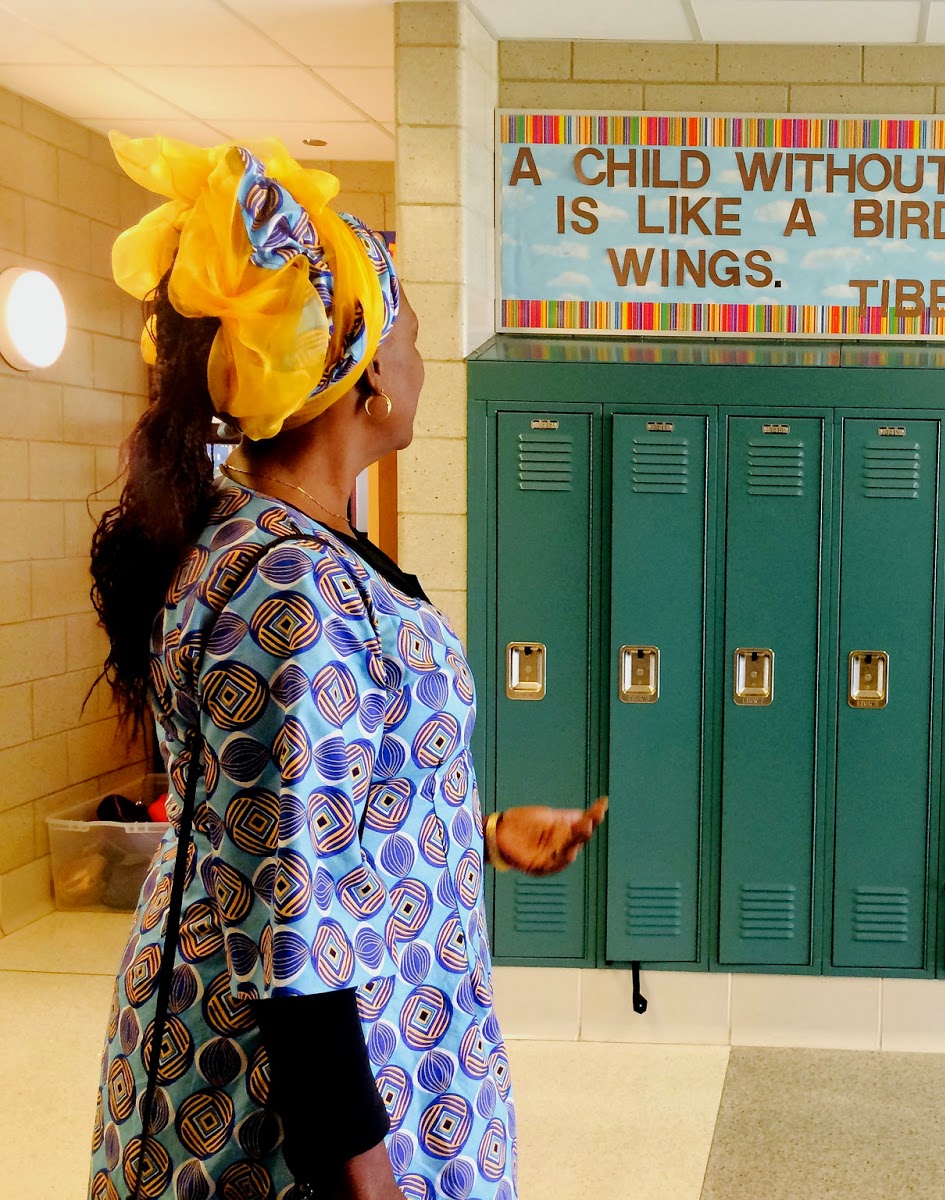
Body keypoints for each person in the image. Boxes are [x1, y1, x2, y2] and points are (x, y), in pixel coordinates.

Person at [85, 134, 606, 1200]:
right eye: (410, 339)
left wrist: (464, 831)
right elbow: (291, 942)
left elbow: (294, 821)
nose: (422, 365)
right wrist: (370, 1186)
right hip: (300, 1124)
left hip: (335, 1050)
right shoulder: (295, 589)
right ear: (365, 378)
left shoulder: (272, 546)